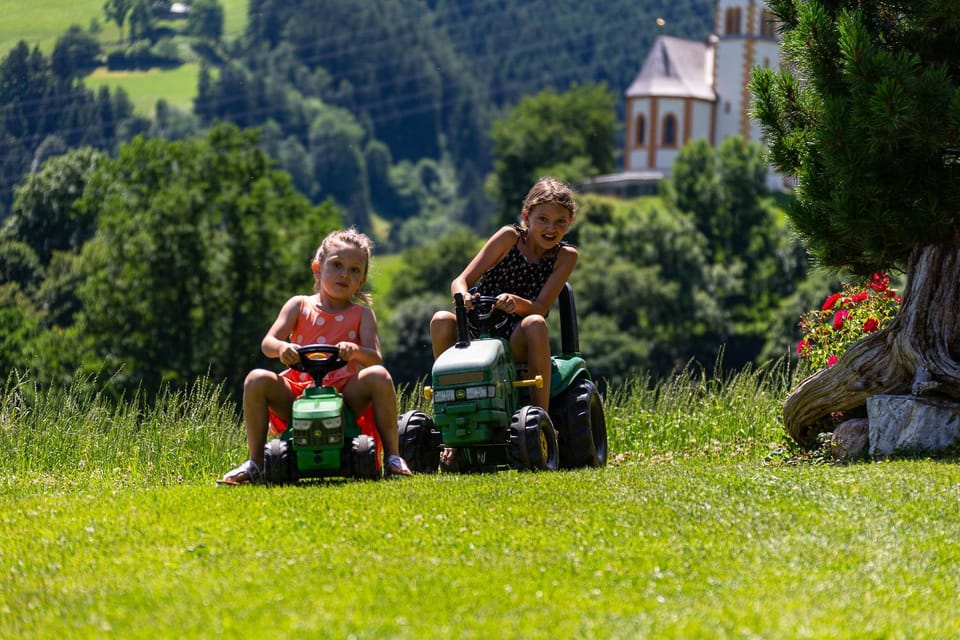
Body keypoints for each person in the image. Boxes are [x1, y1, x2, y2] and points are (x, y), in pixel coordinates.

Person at [220, 228, 412, 484]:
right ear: (317, 268)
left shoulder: (362, 315)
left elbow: (375, 358)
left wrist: (355, 352)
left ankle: (392, 458)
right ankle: (256, 462)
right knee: (256, 379)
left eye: (355, 270)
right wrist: (282, 349)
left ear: (362, 280)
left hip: (344, 395)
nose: (345, 273)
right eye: (337, 265)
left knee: (379, 375)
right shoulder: (298, 305)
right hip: (299, 391)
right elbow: (268, 343)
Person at [430, 176, 579, 463]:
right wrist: (463, 296)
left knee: (536, 324)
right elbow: (460, 280)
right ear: (527, 216)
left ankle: (541, 422)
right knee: (440, 320)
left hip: (517, 331)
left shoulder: (566, 256)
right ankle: (449, 411)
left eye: (560, 222)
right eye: (543, 219)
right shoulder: (509, 237)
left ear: (569, 222)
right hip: (478, 322)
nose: (551, 228)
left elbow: (540, 307)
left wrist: (515, 303)